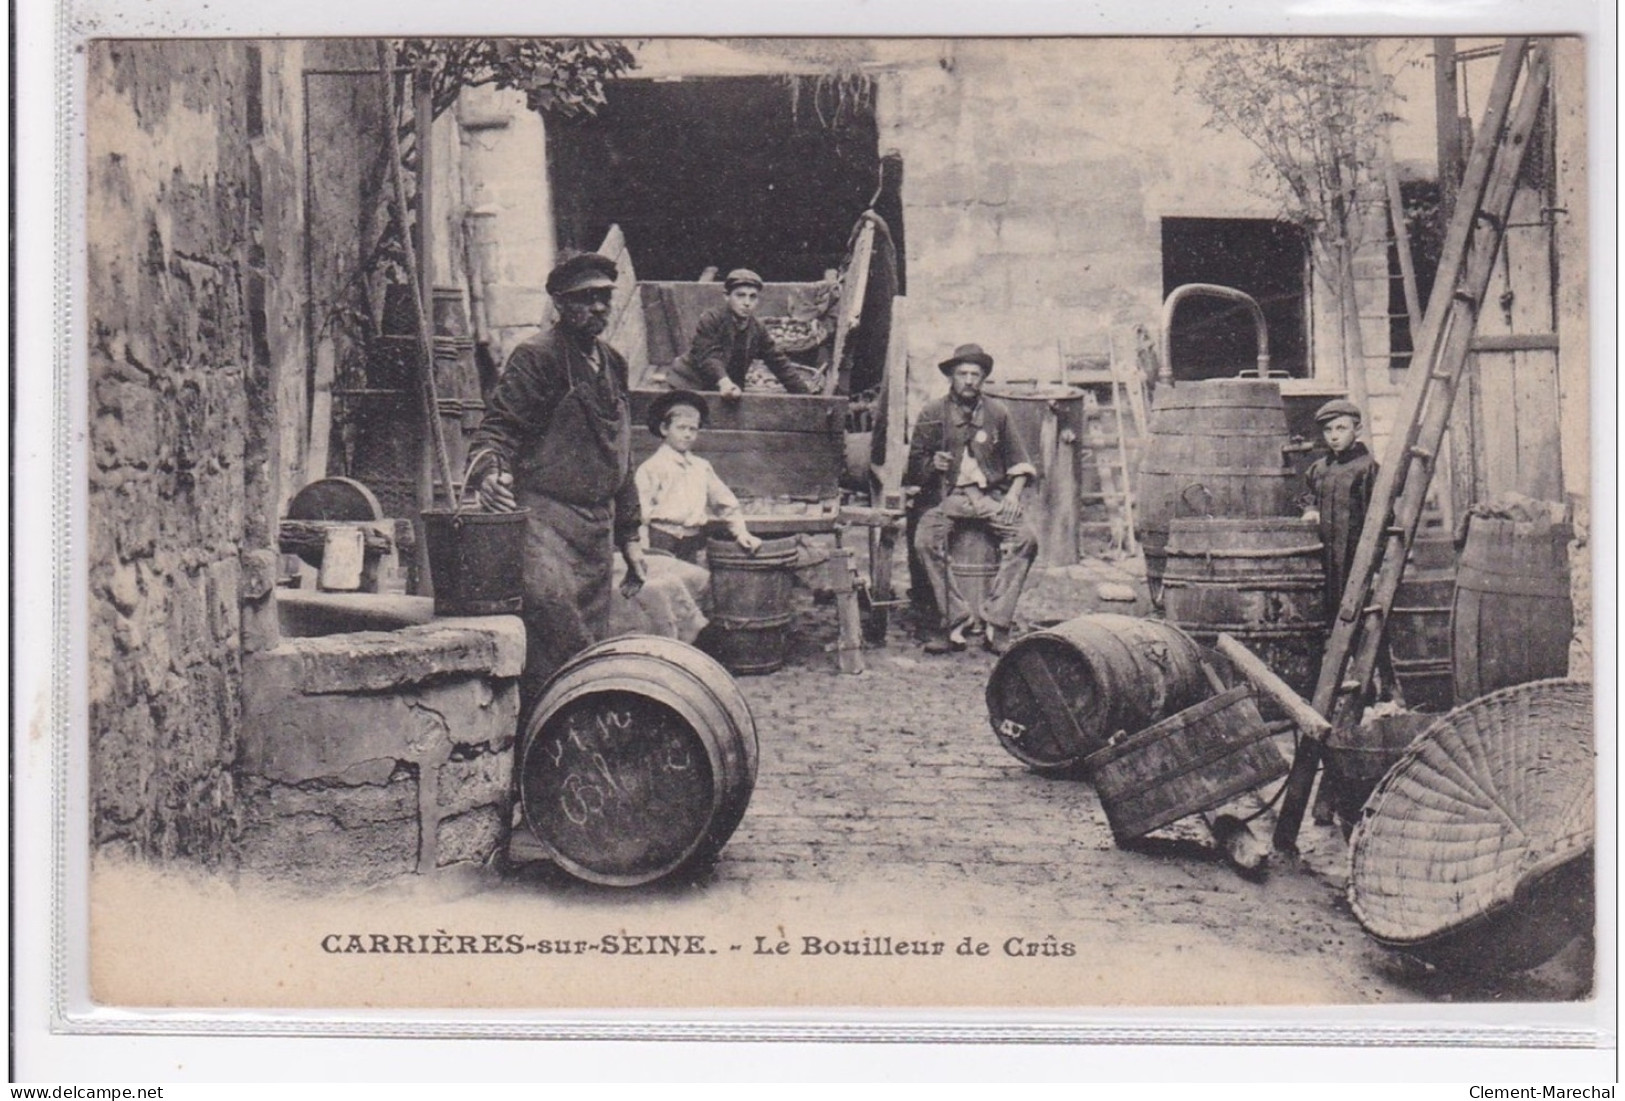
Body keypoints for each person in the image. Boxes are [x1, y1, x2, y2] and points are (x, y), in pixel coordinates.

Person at [464, 251, 648, 708]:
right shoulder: (537, 357)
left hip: (596, 532)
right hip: (545, 524)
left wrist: (630, 534)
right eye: (587, 299)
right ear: (562, 304)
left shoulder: (615, 364)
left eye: (605, 298)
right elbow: (499, 429)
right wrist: (491, 471)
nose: (600, 308)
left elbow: (621, 455)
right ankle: (535, 746)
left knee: (589, 647)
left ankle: (575, 747)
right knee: (553, 638)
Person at [905, 343, 1040, 656]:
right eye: (962, 373)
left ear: (983, 379)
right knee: (924, 540)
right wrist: (931, 465)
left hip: (987, 497)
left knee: (1027, 539)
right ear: (951, 377)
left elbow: (1020, 462)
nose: (968, 380)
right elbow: (913, 469)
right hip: (947, 496)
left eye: (975, 374)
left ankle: (997, 622)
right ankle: (953, 620)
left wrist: (1013, 495)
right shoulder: (932, 412)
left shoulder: (998, 413)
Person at [636, 389, 762, 564]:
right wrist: (643, 551)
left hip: (694, 541)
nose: (687, 434)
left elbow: (725, 503)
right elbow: (641, 513)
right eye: (681, 428)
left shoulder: (701, 467)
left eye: (693, 429)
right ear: (665, 429)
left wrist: (741, 532)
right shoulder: (651, 468)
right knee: (665, 586)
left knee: (696, 584)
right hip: (662, 541)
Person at [665, 268, 817, 398]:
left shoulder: (757, 328)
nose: (747, 302)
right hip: (689, 384)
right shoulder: (711, 319)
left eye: (753, 297)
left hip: (724, 389)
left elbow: (778, 362)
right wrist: (724, 381)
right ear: (727, 296)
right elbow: (708, 357)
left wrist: (805, 397)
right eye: (740, 295)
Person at [1303, 398, 1378, 624]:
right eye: (1328, 430)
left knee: (1358, 618)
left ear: (1358, 430)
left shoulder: (1367, 469)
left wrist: (1375, 565)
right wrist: (1310, 508)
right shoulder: (1320, 468)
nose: (1334, 436)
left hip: (1355, 558)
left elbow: (1378, 519)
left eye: (1341, 428)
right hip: (1324, 558)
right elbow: (1307, 495)